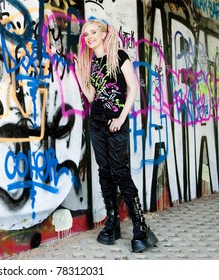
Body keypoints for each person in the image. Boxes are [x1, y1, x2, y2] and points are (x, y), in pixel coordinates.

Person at [75, 18, 158, 253]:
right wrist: (83, 77)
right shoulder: (90, 62)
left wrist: (121, 119)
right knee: (105, 172)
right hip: (97, 123)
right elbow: (93, 98)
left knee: (120, 173)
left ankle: (140, 226)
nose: (88, 37)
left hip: (116, 123)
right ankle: (112, 222)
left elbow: (132, 88)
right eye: (85, 34)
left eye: (92, 32)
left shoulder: (119, 56)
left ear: (103, 34)